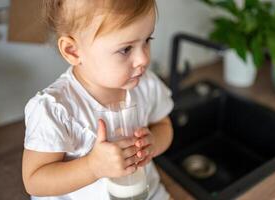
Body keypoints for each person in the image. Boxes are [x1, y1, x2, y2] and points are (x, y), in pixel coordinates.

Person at [22, 0, 174, 199]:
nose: (144, 59)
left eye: (147, 40)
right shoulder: (56, 108)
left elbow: (163, 124)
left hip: (145, 192)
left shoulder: (146, 84)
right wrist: (92, 167)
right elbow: (34, 181)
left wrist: (153, 144)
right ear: (73, 51)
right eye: (126, 49)